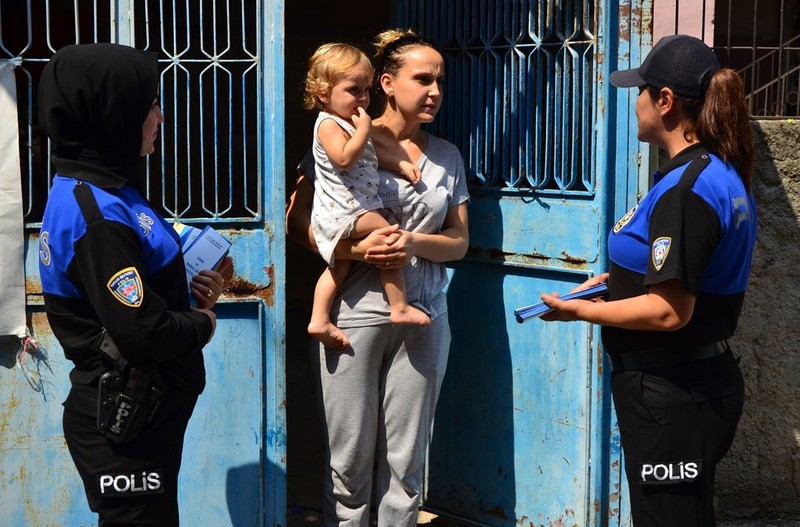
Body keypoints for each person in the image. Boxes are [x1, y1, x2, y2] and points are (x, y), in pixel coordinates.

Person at [540, 35, 756, 526]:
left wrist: (579, 310)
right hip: (691, 386)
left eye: (641, 90)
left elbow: (668, 310)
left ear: (665, 101)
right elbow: (683, 270)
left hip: (673, 394)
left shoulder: (686, 188)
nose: (634, 102)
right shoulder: (715, 171)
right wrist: (614, 282)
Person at [287, 29, 469, 527]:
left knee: (406, 461)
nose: (434, 91)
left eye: (440, 81)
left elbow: (459, 242)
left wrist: (410, 242)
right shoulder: (342, 132)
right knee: (347, 458)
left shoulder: (447, 156)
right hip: (353, 312)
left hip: (425, 310)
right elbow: (299, 225)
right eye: (423, 79)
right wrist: (356, 247)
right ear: (387, 84)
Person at [37, 43, 224, 526]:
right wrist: (201, 323)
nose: (160, 116)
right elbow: (143, 330)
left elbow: (126, 292)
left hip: (142, 413)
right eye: (150, 104)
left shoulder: (105, 188)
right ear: (110, 112)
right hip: (125, 417)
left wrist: (183, 290)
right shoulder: (97, 214)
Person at [302, 42, 430, 350]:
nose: (362, 99)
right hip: (346, 210)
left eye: (365, 90)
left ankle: (319, 319)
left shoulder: (348, 123)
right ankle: (399, 306)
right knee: (389, 238)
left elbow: (369, 158)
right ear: (323, 93)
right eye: (353, 90)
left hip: (352, 209)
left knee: (339, 267)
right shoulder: (329, 125)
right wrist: (363, 130)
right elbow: (345, 157)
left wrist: (400, 163)